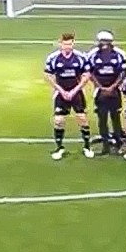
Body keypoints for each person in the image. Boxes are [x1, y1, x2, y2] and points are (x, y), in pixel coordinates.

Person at [44, 32, 94, 160]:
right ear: (61, 44)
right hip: (61, 93)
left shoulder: (80, 57)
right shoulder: (53, 58)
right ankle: (59, 148)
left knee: (82, 118)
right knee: (58, 120)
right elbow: (48, 75)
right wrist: (60, 90)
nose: (67, 46)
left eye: (70, 44)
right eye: (65, 44)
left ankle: (87, 147)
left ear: (73, 44)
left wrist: (75, 90)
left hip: (76, 92)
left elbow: (87, 75)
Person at [89, 29, 126, 155]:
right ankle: (105, 145)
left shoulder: (119, 54)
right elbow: (90, 73)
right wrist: (100, 87)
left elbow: (123, 73)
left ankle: (118, 143)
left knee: (115, 117)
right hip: (100, 92)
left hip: (114, 91)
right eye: (102, 41)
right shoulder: (92, 54)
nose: (104, 43)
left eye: (106, 41)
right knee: (102, 118)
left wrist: (112, 87)